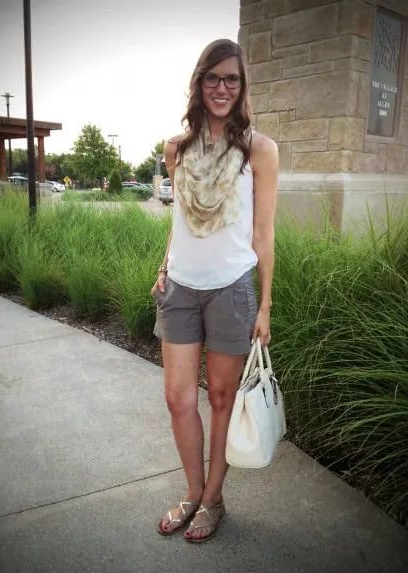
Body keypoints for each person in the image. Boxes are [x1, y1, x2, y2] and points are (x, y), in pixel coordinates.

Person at [152, 39, 278, 543]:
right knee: (178, 399)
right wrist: (164, 264)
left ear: (242, 87)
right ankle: (192, 490)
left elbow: (264, 233)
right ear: (198, 84)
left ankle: (213, 499)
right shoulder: (175, 149)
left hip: (232, 290)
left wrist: (264, 304)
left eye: (232, 79)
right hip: (180, 288)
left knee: (222, 398)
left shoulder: (259, 150)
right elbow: (178, 219)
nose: (222, 87)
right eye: (212, 78)